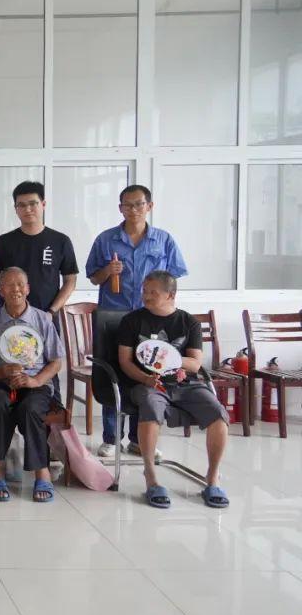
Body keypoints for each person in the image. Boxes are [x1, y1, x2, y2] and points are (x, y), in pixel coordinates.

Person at [86, 184, 187, 459]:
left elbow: (173, 278)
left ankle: (138, 438)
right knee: (112, 371)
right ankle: (111, 438)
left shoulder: (164, 240)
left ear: (149, 206)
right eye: (127, 205)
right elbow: (93, 277)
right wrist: (108, 271)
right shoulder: (106, 239)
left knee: (148, 370)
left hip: (150, 317)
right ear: (120, 208)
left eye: (139, 204)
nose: (133, 209)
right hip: (113, 316)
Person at [117, 271, 229, 509]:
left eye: (153, 292)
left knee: (217, 413)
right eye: (144, 291)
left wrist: (169, 358)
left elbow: (195, 364)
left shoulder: (189, 322)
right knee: (150, 406)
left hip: (185, 384)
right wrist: (146, 378)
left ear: (171, 295)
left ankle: (212, 478)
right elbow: (125, 362)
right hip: (147, 384)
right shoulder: (132, 321)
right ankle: (151, 476)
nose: (146, 296)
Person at [0, 267, 63, 503]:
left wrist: (35, 381)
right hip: (1, 382)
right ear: (0, 290)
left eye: (20, 284)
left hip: (35, 382)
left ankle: (42, 473)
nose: (16, 289)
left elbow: (56, 361)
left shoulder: (42, 320)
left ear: (28, 289)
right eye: (9, 285)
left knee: (30, 408)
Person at [0, 181, 78, 316]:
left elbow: (70, 281)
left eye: (33, 203)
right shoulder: (4, 241)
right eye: (21, 205)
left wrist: (52, 311)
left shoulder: (61, 241)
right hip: (10, 317)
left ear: (43, 204)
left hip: (46, 317)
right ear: (16, 209)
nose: (27, 209)